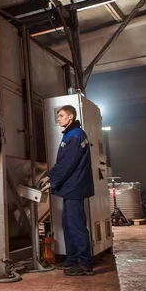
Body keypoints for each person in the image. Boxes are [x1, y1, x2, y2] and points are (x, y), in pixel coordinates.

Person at [39, 105, 94, 276]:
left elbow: (68, 164)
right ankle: (72, 259)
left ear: (70, 117)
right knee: (69, 225)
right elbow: (63, 163)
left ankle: (85, 263)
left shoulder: (75, 135)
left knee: (76, 226)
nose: (58, 119)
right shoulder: (71, 134)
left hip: (74, 188)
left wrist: (53, 180)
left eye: (61, 115)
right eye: (58, 116)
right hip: (70, 188)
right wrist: (49, 176)